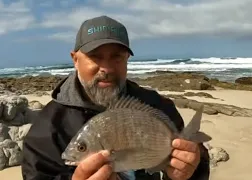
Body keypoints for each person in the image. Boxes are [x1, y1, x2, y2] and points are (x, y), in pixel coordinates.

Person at [21, 15, 210, 180]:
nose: (107, 69)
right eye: (95, 56)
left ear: (127, 58)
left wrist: (190, 171)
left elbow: (187, 163)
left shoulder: (157, 105)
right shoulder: (46, 129)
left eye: (116, 57)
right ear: (75, 59)